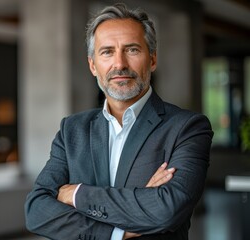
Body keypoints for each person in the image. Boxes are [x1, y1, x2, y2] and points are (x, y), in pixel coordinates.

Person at [24, 3, 213, 240]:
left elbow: (167, 210)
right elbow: (36, 211)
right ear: (93, 65)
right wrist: (120, 229)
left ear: (152, 59)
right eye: (107, 52)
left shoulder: (188, 128)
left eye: (132, 50)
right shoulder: (71, 130)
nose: (120, 64)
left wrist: (77, 194)